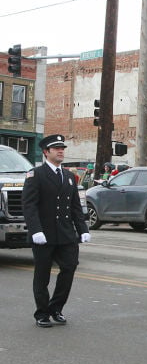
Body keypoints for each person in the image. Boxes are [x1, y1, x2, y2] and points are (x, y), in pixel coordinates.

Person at [21, 134, 91, 328]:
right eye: (56, 148)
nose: (61, 151)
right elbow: (29, 206)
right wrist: (35, 230)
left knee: (69, 268)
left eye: (62, 148)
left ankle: (56, 308)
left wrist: (82, 229)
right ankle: (42, 313)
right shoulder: (36, 175)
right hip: (44, 234)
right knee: (42, 275)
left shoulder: (69, 176)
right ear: (46, 152)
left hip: (66, 234)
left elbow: (75, 207)